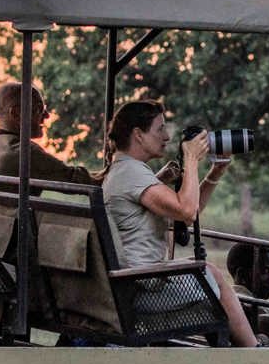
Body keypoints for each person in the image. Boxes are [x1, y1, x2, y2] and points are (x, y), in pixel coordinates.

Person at [101, 100, 259, 347]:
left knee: (208, 279)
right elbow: (187, 211)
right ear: (138, 135)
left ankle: (241, 350)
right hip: (141, 289)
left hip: (133, 282)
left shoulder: (124, 170)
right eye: (160, 129)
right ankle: (255, 351)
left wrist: (214, 173)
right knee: (212, 275)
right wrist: (192, 159)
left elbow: (189, 211)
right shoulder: (132, 173)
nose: (166, 137)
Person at [0, 83, 97, 188]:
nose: (47, 116)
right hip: (7, 226)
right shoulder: (25, 153)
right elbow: (82, 181)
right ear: (16, 113)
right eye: (39, 109)